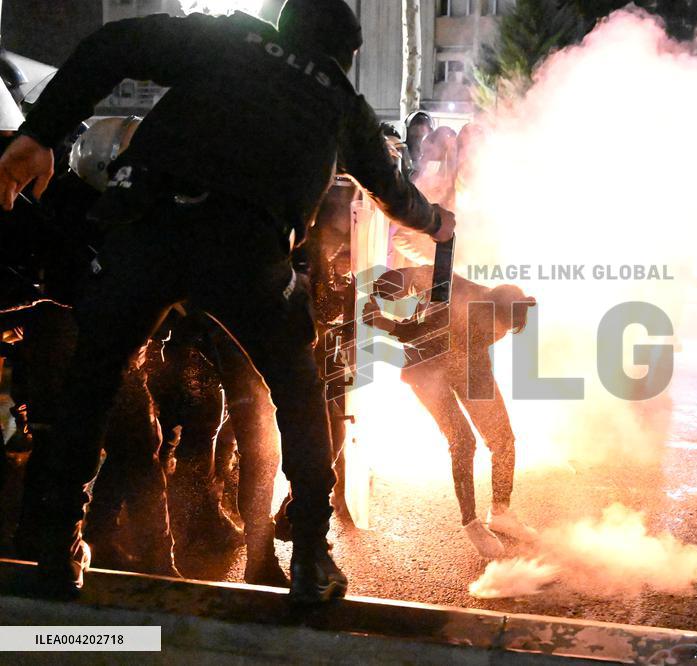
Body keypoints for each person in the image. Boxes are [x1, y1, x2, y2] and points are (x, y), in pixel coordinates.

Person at [0, 1, 455, 602]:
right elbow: (394, 193)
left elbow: (112, 46)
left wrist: (39, 133)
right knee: (297, 389)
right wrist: (438, 223)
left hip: (147, 224)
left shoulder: (232, 38)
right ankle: (314, 560)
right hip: (248, 249)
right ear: (347, 53)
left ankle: (59, 549)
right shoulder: (343, 102)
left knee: (94, 379)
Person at [363, 267, 537, 558]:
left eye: (503, 331)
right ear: (484, 309)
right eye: (497, 326)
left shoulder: (499, 309)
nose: (499, 333)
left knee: (503, 440)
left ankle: (501, 512)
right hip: (427, 370)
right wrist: (379, 299)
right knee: (464, 442)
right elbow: (409, 329)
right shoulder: (451, 297)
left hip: (471, 368)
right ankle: (471, 523)